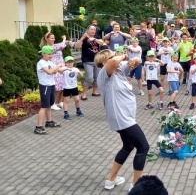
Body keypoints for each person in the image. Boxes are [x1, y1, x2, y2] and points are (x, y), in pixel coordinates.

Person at [94, 49, 148, 192]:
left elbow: (138, 61)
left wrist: (133, 61)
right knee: (143, 147)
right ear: (104, 62)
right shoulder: (104, 75)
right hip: (121, 118)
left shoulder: (120, 72)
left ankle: (111, 180)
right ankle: (136, 186)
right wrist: (124, 55)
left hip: (127, 117)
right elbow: (113, 61)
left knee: (128, 146)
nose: (117, 59)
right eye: (112, 57)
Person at [35, 46, 64, 134]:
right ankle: (38, 127)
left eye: (51, 54)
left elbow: (58, 70)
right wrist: (58, 66)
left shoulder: (50, 62)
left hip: (51, 85)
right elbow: (50, 72)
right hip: (45, 86)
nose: (51, 56)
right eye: (49, 54)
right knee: (44, 106)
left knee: (49, 105)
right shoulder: (41, 63)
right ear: (43, 54)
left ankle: (49, 122)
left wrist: (70, 69)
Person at [40, 32, 72, 110]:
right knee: (57, 87)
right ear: (46, 39)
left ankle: (60, 101)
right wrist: (64, 39)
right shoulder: (46, 48)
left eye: (54, 38)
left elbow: (64, 44)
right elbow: (61, 45)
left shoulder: (55, 45)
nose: (53, 39)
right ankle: (53, 103)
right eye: (51, 38)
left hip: (62, 66)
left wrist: (69, 42)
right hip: (55, 68)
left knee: (63, 85)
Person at [75, 25, 103, 100]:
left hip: (97, 60)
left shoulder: (97, 37)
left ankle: (95, 91)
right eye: (91, 29)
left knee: (97, 77)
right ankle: (84, 94)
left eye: (94, 29)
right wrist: (83, 38)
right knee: (89, 77)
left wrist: (94, 39)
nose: (93, 31)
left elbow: (102, 43)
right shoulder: (83, 37)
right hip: (87, 60)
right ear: (87, 30)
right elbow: (77, 46)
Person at [60, 56, 84, 120]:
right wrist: (66, 69)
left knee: (77, 99)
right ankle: (66, 113)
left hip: (74, 87)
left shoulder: (75, 69)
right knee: (66, 101)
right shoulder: (64, 69)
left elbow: (81, 75)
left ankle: (78, 110)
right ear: (65, 63)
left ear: (73, 63)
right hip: (67, 87)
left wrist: (79, 72)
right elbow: (59, 71)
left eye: (71, 62)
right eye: (68, 62)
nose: (70, 64)